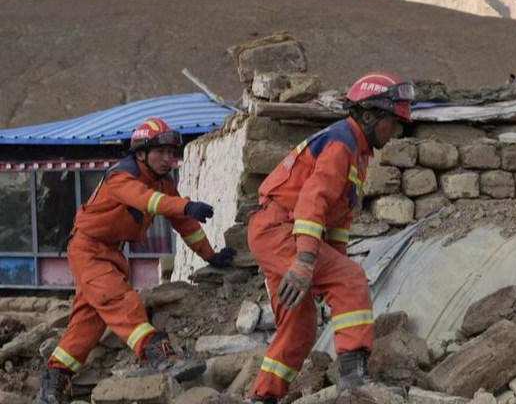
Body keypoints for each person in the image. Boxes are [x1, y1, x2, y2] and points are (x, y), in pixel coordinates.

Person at [36, 117, 236, 404]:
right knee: (120, 300)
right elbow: (146, 200)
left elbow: (185, 224)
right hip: (88, 250)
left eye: (171, 153)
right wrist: (186, 204)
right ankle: (158, 354)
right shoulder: (122, 177)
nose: (169, 159)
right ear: (141, 152)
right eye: (161, 152)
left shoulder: (162, 182)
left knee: (88, 322)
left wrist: (211, 255)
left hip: (110, 253)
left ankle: (53, 382)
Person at [247, 71, 414, 403]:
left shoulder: (357, 151)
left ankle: (261, 398)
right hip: (281, 230)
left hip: (277, 231)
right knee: (351, 280)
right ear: (368, 115)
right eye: (391, 122)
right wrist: (308, 260)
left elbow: (338, 218)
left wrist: (329, 265)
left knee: (300, 328)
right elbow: (312, 202)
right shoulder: (342, 144)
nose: (395, 132)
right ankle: (354, 379)